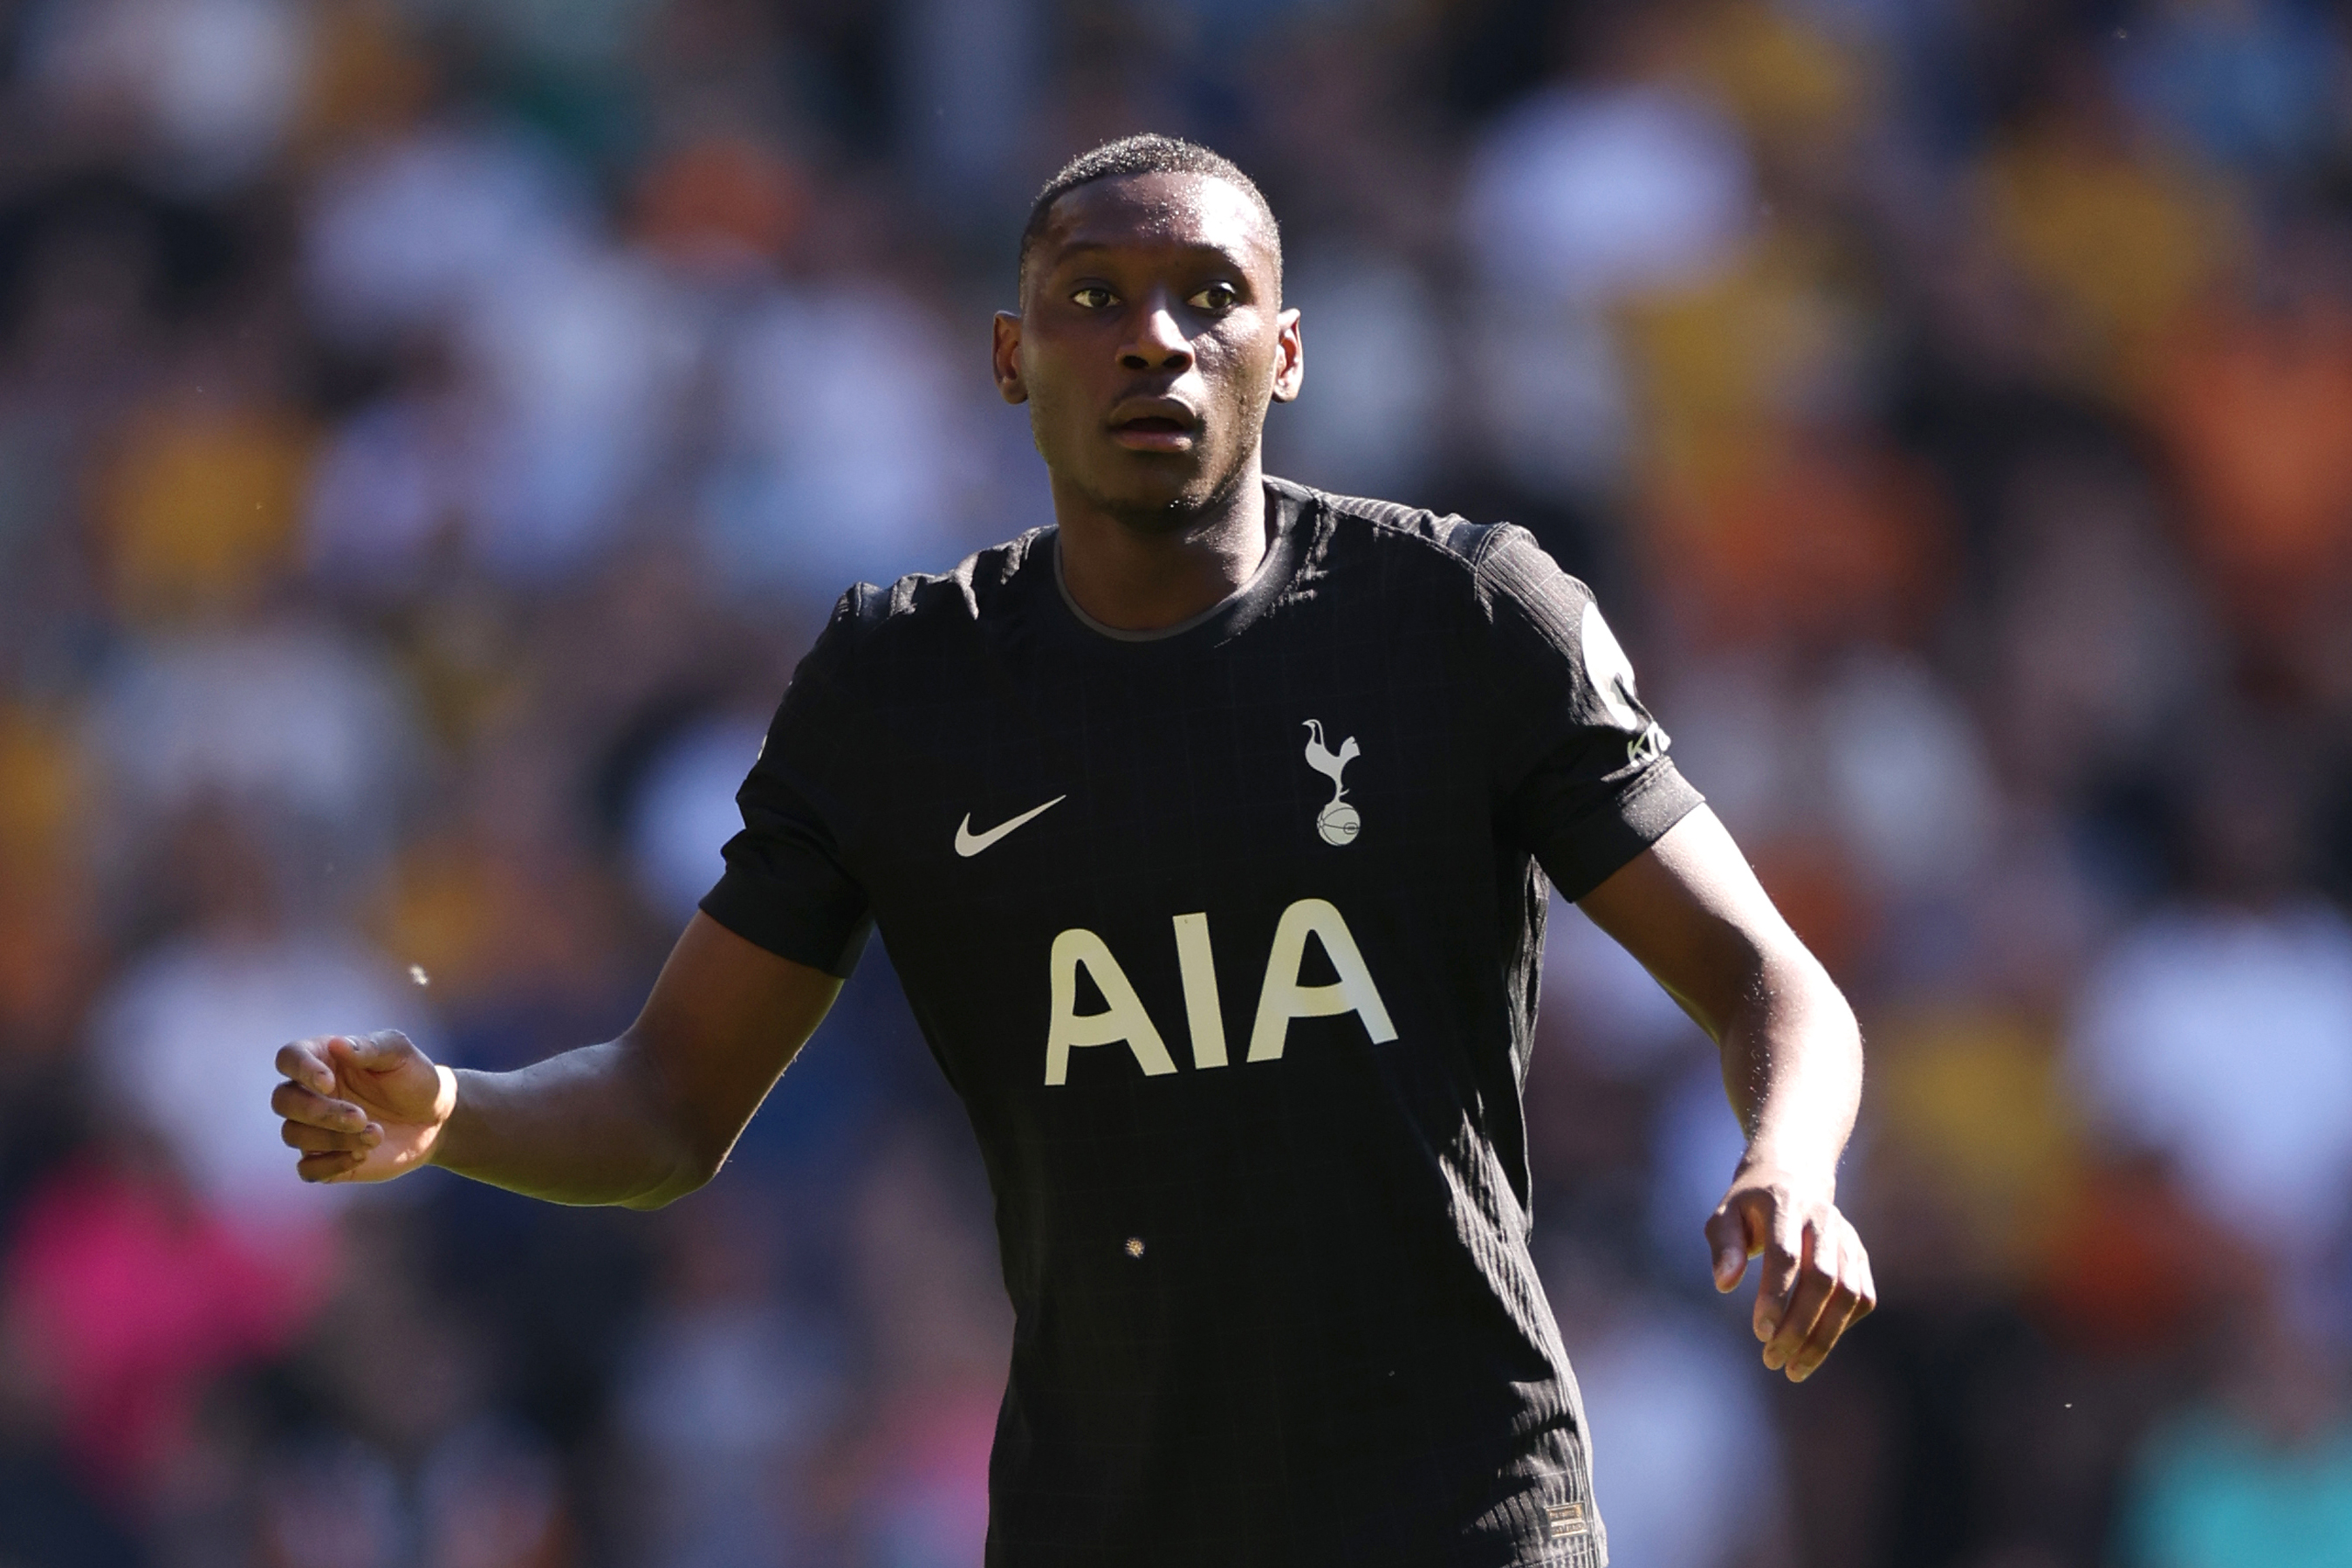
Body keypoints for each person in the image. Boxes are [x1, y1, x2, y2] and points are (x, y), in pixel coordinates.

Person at [271, 134, 1875, 1566]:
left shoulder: (1466, 624)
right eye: (1092, 297)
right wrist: (458, 1115)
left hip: (1458, 1515)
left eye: (1208, 296)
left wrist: (1788, 1159)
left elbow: (1769, 983)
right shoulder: (901, 692)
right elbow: (673, 1102)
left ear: (1289, 351)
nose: (1154, 341)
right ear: (1008, 357)